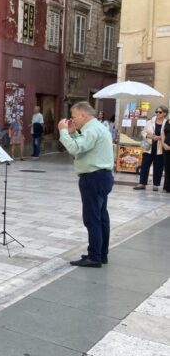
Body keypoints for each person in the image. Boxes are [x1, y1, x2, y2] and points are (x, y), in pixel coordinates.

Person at [58, 101, 114, 268]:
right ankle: (101, 253)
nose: (72, 120)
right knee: (101, 216)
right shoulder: (96, 128)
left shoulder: (91, 129)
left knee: (92, 219)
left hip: (93, 178)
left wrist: (63, 132)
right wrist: (74, 134)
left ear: (83, 115)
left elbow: (75, 150)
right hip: (102, 177)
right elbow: (84, 147)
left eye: (74, 116)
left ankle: (94, 256)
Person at [133, 106, 168, 191]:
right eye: (156, 112)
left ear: (164, 113)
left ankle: (156, 184)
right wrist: (150, 136)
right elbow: (143, 132)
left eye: (160, 112)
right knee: (145, 165)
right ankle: (142, 183)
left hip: (160, 148)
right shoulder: (150, 122)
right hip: (149, 146)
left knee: (158, 166)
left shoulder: (167, 123)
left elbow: (168, 135)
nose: (157, 113)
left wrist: (160, 137)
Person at [163, 120, 170, 193]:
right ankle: (166, 186)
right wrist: (163, 144)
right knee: (167, 167)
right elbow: (163, 133)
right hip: (166, 148)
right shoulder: (167, 121)